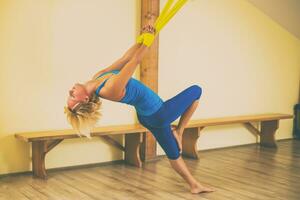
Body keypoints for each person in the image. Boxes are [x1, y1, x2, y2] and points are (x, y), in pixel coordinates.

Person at [64, 21, 215, 194]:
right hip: (159, 114)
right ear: (84, 99)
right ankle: (179, 131)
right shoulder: (109, 89)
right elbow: (134, 61)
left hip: (148, 117)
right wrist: (151, 39)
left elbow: (125, 59)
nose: (70, 90)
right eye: (72, 96)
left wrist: (142, 39)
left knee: (173, 153)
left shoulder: (97, 77)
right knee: (196, 91)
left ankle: (194, 185)